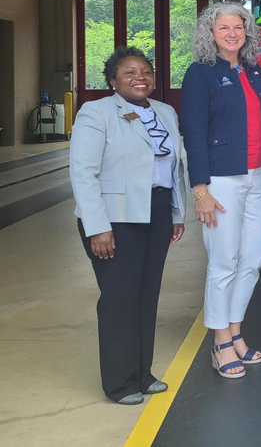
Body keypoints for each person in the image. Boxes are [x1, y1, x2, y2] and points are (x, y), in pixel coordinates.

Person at [69, 47, 188, 405]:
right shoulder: (97, 112)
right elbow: (83, 172)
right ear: (112, 81)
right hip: (114, 216)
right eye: (130, 72)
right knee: (120, 299)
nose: (141, 77)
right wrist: (97, 226)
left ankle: (141, 373)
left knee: (146, 296)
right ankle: (119, 383)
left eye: (147, 71)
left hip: (155, 211)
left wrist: (176, 213)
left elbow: (174, 169)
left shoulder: (165, 112)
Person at [181, 2, 261, 379]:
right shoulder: (200, 74)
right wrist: (200, 189)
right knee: (223, 263)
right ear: (210, 33)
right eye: (224, 28)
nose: (232, 33)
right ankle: (220, 341)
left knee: (252, 261)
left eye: (238, 27)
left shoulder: (252, 73)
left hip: (256, 177)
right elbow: (195, 134)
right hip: (221, 179)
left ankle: (236, 332)